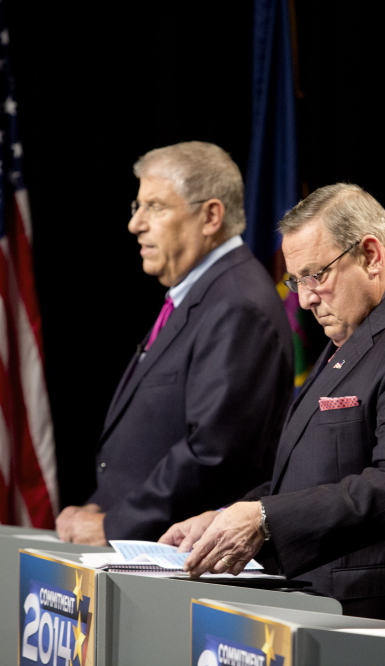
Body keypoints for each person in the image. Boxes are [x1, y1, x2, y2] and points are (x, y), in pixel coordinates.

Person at [159, 183, 385, 620]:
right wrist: (225, 518)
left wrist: (263, 519)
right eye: (296, 280)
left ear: (371, 255)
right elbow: (315, 472)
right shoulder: (356, 327)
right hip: (325, 603)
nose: (304, 299)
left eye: (316, 275)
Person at [56, 141, 293, 544]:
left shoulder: (237, 305)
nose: (136, 224)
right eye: (138, 207)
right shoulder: (201, 295)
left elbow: (214, 453)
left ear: (210, 216)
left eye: (156, 207)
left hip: (178, 561)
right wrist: (103, 505)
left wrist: (116, 524)